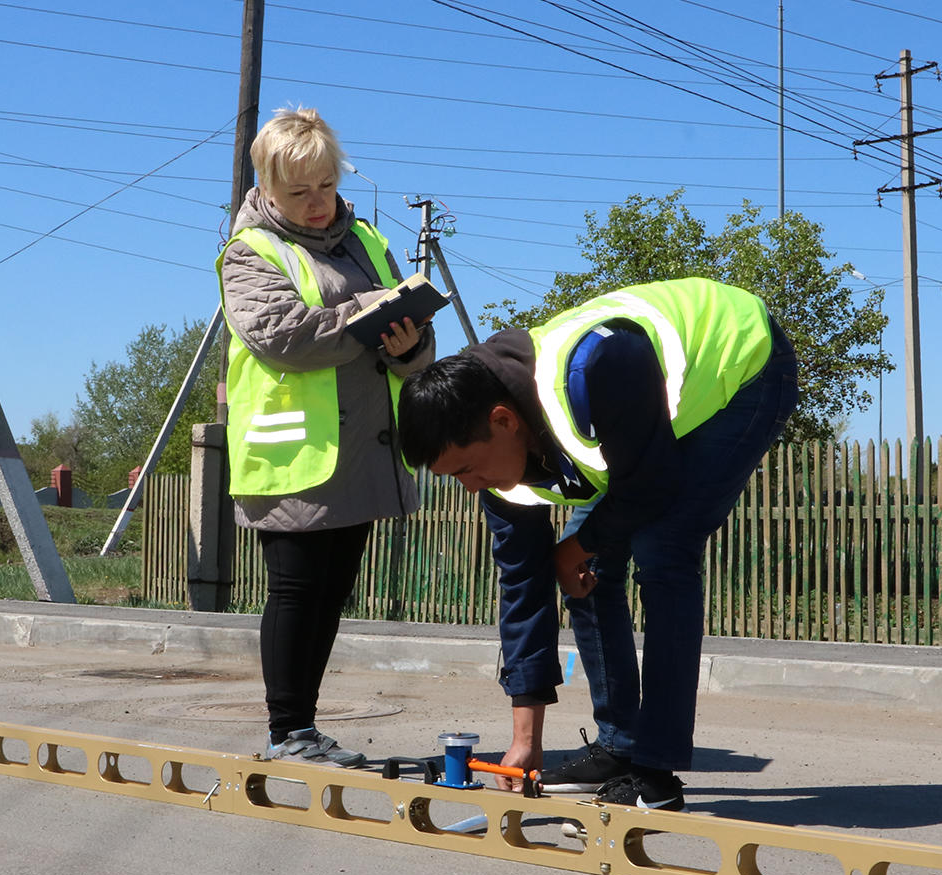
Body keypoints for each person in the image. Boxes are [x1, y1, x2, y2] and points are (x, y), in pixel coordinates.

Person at [397, 278, 798, 810]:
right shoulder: (494, 460)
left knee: (663, 549)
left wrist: (577, 546)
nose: (471, 487)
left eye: (468, 469)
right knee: (586, 572)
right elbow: (523, 586)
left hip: (742, 361)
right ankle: (619, 746)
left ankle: (655, 772)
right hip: (638, 424)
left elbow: (650, 487)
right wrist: (525, 740)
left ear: (503, 421)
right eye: (456, 478)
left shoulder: (594, 366)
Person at [218, 107, 433, 768]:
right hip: (295, 457)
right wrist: (372, 312)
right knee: (296, 590)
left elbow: (414, 346)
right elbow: (285, 337)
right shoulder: (248, 253)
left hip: (366, 451)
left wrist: (409, 342)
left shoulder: (368, 241)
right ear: (268, 189)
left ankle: (304, 729)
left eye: (326, 187)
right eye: (297, 192)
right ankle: (288, 731)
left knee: (333, 591)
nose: (316, 204)